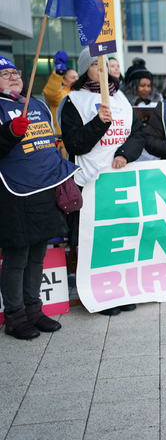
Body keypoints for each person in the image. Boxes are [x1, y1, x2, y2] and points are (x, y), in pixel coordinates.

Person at [60, 47, 145, 315]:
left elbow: (137, 135)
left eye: (106, 64)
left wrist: (124, 154)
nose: (103, 69)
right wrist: (99, 122)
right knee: (92, 241)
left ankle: (118, 289)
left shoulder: (121, 98)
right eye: (97, 65)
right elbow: (75, 143)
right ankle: (97, 295)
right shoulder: (74, 101)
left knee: (118, 238)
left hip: (118, 180)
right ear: (86, 69)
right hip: (89, 182)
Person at [0, 56, 79, 339]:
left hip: (44, 190)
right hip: (14, 194)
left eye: (15, 72)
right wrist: (8, 133)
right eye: (4, 73)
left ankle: (34, 310)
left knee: (38, 254)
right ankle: (15, 316)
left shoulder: (36, 104)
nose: (13, 77)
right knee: (17, 257)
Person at [42, 51, 78, 131]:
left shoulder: (81, 94)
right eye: (72, 77)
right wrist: (59, 72)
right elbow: (51, 93)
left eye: (77, 77)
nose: (76, 80)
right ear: (64, 80)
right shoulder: (62, 95)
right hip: (63, 139)